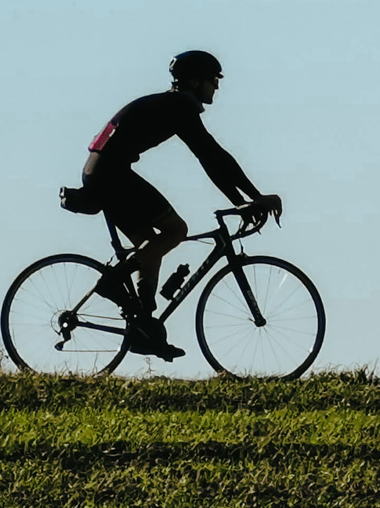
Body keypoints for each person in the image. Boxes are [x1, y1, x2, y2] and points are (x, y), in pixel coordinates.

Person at [70, 51, 280, 360]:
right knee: (175, 230)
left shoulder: (173, 104)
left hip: (100, 171)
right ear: (196, 81)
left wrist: (242, 201)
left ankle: (142, 325)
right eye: (214, 80)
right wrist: (253, 198)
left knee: (149, 246)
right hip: (111, 174)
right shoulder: (180, 106)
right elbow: (211, 155)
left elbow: (210, 158)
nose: (217, 88)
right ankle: (113, 284)